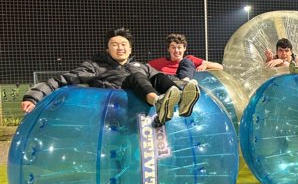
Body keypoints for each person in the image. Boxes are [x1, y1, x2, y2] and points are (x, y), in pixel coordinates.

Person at [21, 28, 200, 127]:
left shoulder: (141, 66)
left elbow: (161, 78)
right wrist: (33, 96)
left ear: (130, 49)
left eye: (124, 44)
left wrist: (182, 83)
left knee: (157, 75)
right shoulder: (95, 66)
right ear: (108, 49)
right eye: (114, 45)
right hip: (117, 117)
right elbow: (62, 80)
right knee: (135, 78)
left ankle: (182, 98)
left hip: (145, 117)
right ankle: (159, 102)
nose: (120, 48)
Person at [148, 33, 223, 81]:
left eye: (179, 47)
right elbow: (144, 68)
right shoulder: (160, 62)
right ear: (168, 49)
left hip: (186, 86)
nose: (176, 50)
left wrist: (206, 65)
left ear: (184, 48)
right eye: (173, 47)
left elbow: (220, 67)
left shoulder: (190, 60)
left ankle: (184, 82)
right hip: (169, 86)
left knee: (186, 61)